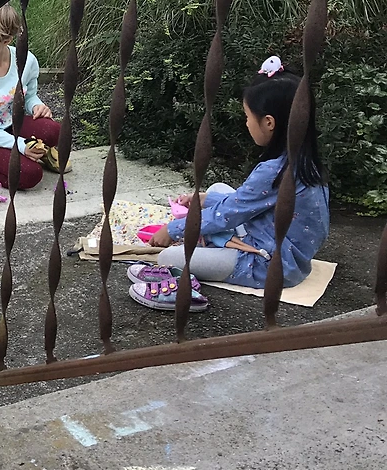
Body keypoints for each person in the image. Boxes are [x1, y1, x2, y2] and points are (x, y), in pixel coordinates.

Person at [138, 57, 330, 309]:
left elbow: (229, 214)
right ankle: (212, 237)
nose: (246, 123)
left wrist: (172, 230)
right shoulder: (304, 162)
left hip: (269, 265)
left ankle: (208, 247)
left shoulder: (274, 171)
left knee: (169, 256)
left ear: (269, 122)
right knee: (217, 190)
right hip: (284, 249)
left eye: (247, 117)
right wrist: (205, 200)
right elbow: (247, 203)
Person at [0, 4, 60, 191]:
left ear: (7, 40)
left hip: (11, 125)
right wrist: (20, 145)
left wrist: (37, 106)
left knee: (53, 130)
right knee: (29, 174)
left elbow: (30, 96)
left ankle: (34, 152)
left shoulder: (27, 60)